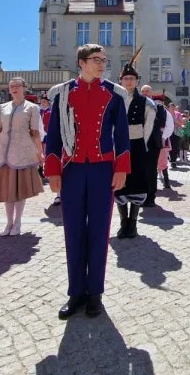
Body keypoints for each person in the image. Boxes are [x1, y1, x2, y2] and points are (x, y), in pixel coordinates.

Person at [45, 44, 130, 320]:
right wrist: (54, 171)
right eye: (96, 60)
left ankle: (95, 292)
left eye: (104, 59)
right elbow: (54, 135)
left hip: (103, 169)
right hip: (72, 170)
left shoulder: (114, 94)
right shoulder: (62, 93)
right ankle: (75, 291)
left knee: (99, 231)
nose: (102, 64)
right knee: (73, 231)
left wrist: (121, 169)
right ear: (81, 62)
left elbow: (122, 136)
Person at [0, 79, 44, 236]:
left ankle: (18, 222)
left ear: (24, 88)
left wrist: (39, 151)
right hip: (3, 151)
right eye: (11, 86)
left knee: (19, 189)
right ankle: (9, 223)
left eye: (18, 86)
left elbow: (35, 132)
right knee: (7, 189)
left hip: (22, 152)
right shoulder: (3, 107)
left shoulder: (32, 108)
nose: (14, 88)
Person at [114, 62, 158, 238]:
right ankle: (123, 222)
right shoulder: (114, 100)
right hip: (119, 147)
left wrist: (142, 143)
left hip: (137, 145)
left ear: (137, 81)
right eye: (126, 78)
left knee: (137, 183)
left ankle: (133, 223)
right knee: (120, 183)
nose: (129, 81)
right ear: (121, 80)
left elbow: (148, 126)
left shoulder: (146, 102)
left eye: (132, 78)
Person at [140, 85, 173, 198]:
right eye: (143, 91)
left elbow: (165, 124)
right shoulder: (136, 104)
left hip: (154, 142)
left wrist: (162, 137)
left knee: (152, 168)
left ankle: (151, 196)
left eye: (147, 91)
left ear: (151, 93)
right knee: (141, 168)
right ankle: (142, 193)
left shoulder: (159, 107)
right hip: (139, 142)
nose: (145, 93)